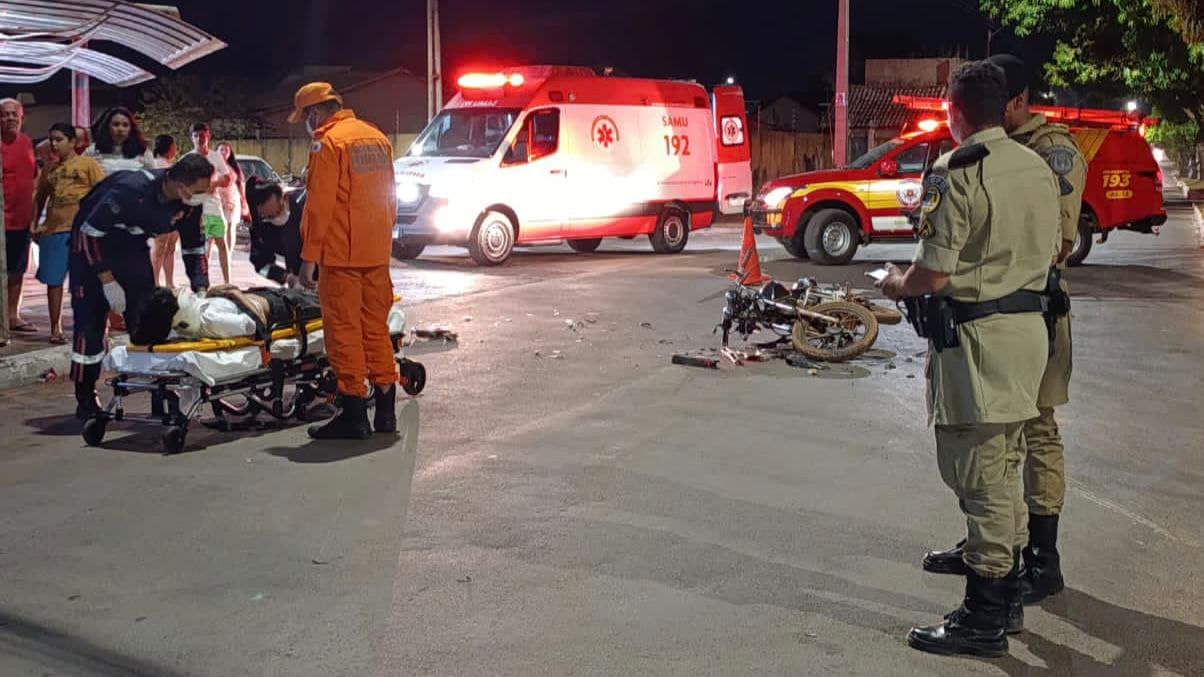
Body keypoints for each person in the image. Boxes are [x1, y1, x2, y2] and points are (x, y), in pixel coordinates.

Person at [877, 60, 1061, 657]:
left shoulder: (957, 170)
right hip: (1029, 335)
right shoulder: (1037, 166)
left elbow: (933, 273)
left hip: (979, 344)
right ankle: (1006, 600)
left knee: (980, 479)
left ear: (953, 112)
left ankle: (983, 618)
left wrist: (895, 284)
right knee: (1004, 466)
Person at [922, 54, 1087, 609]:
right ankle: (994, 549)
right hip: (1010, 313)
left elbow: (1057, 243)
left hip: (1031, 311)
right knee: (995, 447)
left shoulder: (1048, 153)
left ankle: (1039, 559)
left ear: (1017, 99)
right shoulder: (1003, 155)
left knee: (1028, 433)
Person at [289, 82, 398, 439]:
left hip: (341, 255)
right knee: (375, 328)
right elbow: (391, 197)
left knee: (344, 332)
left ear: (315, 112)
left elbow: (319, 206)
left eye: (306, 117)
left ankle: (354, 414)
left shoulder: (328, 143)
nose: (307, 125)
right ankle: (386, 411)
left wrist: (309, 258)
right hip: (376, 252)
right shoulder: (376, 137)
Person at [69, 155, 214, 419]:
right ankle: (86, 395)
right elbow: (89, 233)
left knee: (149, 321)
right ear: (179, 184)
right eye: (199, 190)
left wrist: (201, 287)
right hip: (90, 250)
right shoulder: (131, 190)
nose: (202, 196)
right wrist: (107, 281)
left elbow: (194, 246)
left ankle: (160, 392)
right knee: (90, 327)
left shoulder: (189, 204)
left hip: (132, 249)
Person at [33, 123, 106, 344]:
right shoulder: (49, 169)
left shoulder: (88, 165)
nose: (54, 144)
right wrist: (33, 224)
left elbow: (102, 194)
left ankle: (93, 326)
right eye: (52, 140)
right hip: (53, 231)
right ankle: (55, 328)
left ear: (72, 142)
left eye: (59, 140)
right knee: (54, 281)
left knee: (87, 282)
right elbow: (39, 198)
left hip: (82, 232)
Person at [181, 123, 234, 284]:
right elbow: (177, 183)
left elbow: (228, 178)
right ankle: (202, 283)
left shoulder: (215, 157)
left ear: (208, 136)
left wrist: (214, 184)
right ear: (192, 138)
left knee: (221, 244)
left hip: (214, 208)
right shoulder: (186, 159)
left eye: (202, 135)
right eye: (196, 135)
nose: (199, 139)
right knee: (200, 249)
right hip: (195, 210)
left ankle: (227, 282)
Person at [2, 98, 37, 334]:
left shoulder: (26, 142)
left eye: (14, 114)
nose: (10, 118)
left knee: (17, 270)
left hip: (22, 219)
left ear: (22, 117)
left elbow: (34, 177)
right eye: (5, 114)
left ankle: (12, 315)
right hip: (1, 220)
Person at [246, 177, 306, 287]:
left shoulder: (303, 204)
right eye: (270, 217)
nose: (277, 218)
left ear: (283, 197)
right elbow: (260, 264)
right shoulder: (260, 229)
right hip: (297, 277)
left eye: (279, 211)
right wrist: (285, 277)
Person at [85, 107, 154, 176]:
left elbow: (152, 177)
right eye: (116, 124)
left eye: (125, 125)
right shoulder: (93, 150)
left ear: (131, 129)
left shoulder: (143, 152)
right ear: (107, 127)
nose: (120, 129)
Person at [150, 134, 180, 286]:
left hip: (171, 211)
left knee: (169, 247)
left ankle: (169, 282)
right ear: (169, 148)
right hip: (161, 211)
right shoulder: (156, 165)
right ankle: (155, 282)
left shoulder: (172, 166)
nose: (175, 149)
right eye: (174, 145)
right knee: (161, 246)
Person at [216, 141, 250, 251]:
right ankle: (220, 252)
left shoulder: (234, 168)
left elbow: (241, 184)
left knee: (231, 227)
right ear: (216, 151)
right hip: (218, 201)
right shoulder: (212, 167)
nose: (224, 152)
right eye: (221, 149)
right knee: (220, 229)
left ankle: (229, 253)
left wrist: (243, 200)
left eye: (226, 150)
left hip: (233, 201)